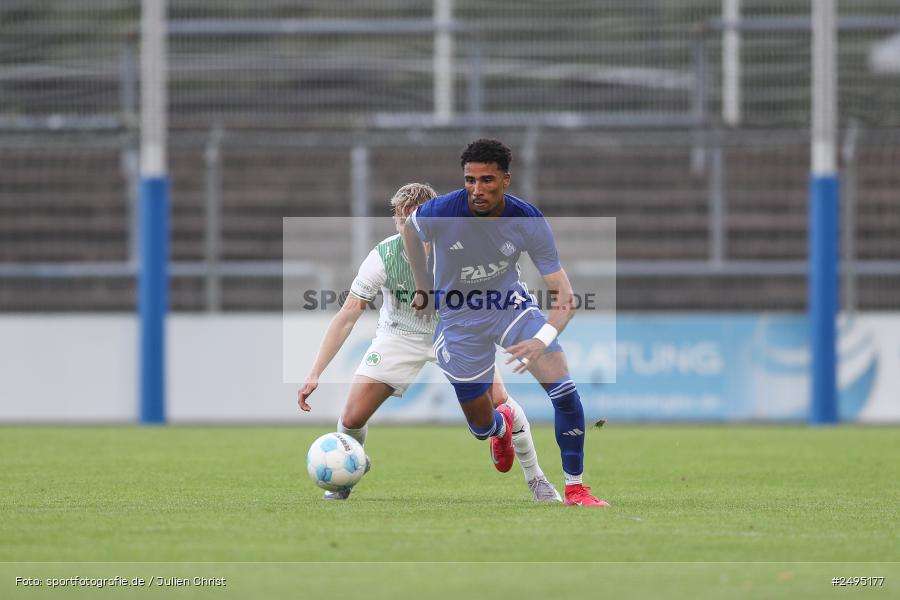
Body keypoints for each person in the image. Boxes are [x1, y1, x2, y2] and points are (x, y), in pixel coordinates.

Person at [298, 182, 560, 502]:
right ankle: (347, 472)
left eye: (414, 222)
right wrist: (315, 372)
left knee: (500, 400)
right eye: (401, 222)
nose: (409, 231)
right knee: (351, 418)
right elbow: (348, 314)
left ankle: (537, 479)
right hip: (399, 336)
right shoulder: (383, 256)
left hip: (455, 331)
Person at [401, 139, 609, 507]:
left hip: (507, 305)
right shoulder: (442, 210)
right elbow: (409, 232)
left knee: (564, 389)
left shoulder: (527, 219)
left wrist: (542, 339)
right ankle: (500, 428)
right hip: (457, 318)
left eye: (487, 180)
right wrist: (423, 287)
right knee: (480, 426)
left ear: (506, 180)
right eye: (470, 180)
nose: (477, 190)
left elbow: (565, 297)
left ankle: (576, 489)